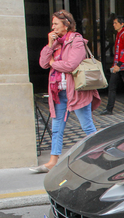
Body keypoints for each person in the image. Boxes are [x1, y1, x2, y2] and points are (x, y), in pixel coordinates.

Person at [34, 9, 100, 173]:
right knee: (56, 128)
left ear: (67, 24)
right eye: (52, 24)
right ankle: (52, 161)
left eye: (56, 23)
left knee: (87, 126)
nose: (53, 27)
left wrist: (53, 63)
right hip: (59, 93)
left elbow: (71, 65)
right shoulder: (56, 43)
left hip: (76, 92)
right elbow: (43, 63)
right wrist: (49, 45)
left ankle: (100, 154)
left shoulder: (77, 41)